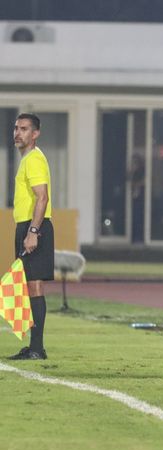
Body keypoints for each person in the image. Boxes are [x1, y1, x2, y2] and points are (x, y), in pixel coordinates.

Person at [8, 113, 54, 360]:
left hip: (34, 226)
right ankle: (35, 346)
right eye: (16, 128)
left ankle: (37, 348)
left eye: (24, 129)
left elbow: (42, 197)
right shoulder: (28, 159)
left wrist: (33, 232)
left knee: (35, 285)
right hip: (27, 225)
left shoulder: (34, 159)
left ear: (35, 134)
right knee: (28, 286)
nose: (18, 133)